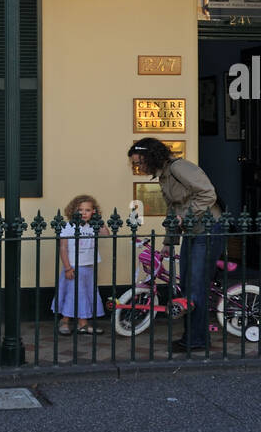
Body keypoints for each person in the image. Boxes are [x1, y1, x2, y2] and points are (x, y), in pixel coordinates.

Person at [128, 137, 223, 351]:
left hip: (208, 229)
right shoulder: (164, 176)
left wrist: (187, 217)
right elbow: (173, 209)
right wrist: (170, 241)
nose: (138, 166)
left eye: (139, 161)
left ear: (150, 156)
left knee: (196, 286)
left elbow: (208, 193)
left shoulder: (179, 167)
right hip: (193, 231)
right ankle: (193, 336)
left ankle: (197, 340)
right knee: (188, 284)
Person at [52, 194, 109, 335]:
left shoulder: (93, 226)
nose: (84, 213)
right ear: (73, 211)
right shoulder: (68, 227)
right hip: (73, 267)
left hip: (89, 266)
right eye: (80, 210)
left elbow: (106, 234)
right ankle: (65, 321)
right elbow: (63, 248)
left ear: (93, 212)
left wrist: (99, 220)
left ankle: (82, 324)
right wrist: (67, 268)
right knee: (72, 294)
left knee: (86, 294)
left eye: (88, 210)